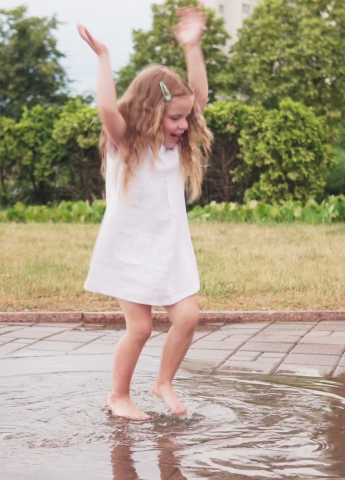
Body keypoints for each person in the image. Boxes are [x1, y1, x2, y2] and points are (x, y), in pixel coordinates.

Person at [78, 6, 213, 420]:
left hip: (170, 246)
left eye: (186, 118)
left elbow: (199, 96)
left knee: (188, 318)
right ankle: (119, 395)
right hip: (129, 246)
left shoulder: (178, 144)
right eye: (175, 118)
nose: (183, 126)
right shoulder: (128, 145)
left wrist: (192, 46)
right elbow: (106, 110)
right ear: (150, 114)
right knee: (139, 327)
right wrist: (103, 58)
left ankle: (163, 383)